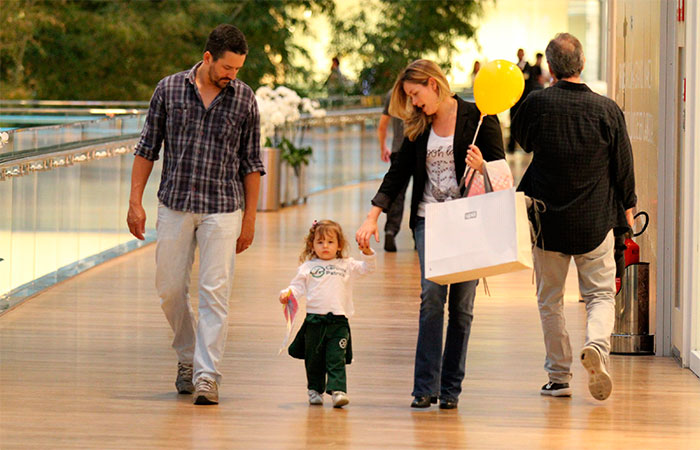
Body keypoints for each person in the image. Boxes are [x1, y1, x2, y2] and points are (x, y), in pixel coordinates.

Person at [126, 24, 265, 405]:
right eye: (227, 68)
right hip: (174, 204)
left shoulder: (244, 99)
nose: (232, 76)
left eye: (237, 69)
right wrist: (135, 201)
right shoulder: (168, 89)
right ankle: (188, 357)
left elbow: (252, 164)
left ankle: (207, 375)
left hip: (223, 209)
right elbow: (147, 148)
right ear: (208, 58)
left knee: (214, 294)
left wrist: (250, 219)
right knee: (169, 289)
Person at [356, 59, 504, 409]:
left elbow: (500, 172)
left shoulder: (480, 117)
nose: (414, 103)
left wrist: (482, 165)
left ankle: (451, 390)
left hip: (470, 222)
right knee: (432, 298)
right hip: (430, 222)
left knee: (463, 308)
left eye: (415, 94)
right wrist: (372, 216)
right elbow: (398, 173)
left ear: (433, 84)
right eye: (408, 97)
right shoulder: (418, 125)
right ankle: (425, 386)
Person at [511, 33, 636, 401]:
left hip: (547, 223)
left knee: (550, 300)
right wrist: (627, 211)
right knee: (599, 296)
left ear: (550, 68)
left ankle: (559, 376)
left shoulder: (537, 103)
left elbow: (523, 141)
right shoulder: (607, 110)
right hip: (594, 221)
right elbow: (623, 168)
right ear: (582, 63)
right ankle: (596, 345)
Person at [280, 220, 376, 408]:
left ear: (339, 245)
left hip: (338, 322)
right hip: (314, 322)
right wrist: (286, 294)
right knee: (313, 359)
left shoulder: (347, 265)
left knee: (336, 357)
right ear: (312, 245)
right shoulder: (307, 267)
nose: (325, 246)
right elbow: (296, 287)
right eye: (320, 242)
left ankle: (338, 391)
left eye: (330, 242)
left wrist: (368, 254)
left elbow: (368, 269)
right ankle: (314, 390)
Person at [377, 91, 408, 252]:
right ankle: (420, 236)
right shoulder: (422, 90)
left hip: (398, 149)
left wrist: (383, 147)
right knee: (422, 191)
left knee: (397, 193)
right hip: (421, 150)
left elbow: (383, 125)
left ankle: (390, 230)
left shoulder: (392, 93)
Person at [507, 48, 532, 153]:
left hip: (524, 98)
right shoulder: (515, 66)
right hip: (516, 99)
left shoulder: (528, 66)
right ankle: (511, 146)